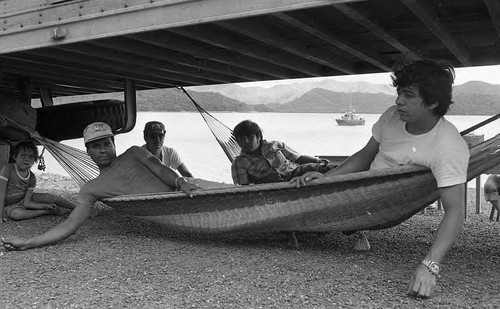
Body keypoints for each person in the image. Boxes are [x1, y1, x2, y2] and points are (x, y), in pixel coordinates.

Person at [291, 60, 469, 298]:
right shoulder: (393, 116)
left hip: (383, 204)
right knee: (297, 187)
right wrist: (327, 178)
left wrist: (430, 265)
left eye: (408, 95)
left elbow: (455, 211)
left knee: (305, 211)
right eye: (398, 93)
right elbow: (365, 155)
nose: (398, 101)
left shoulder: (448, 147)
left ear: (433, 102)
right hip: (355, 191)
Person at [1, 122, 201, 250]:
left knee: (214, 191)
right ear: (88, 151)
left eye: (107, 144)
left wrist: (181, 181)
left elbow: (159, 169)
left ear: (114, 144)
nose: (103, 150)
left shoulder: (134, 153)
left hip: (184, 193)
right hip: (166, 210)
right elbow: (70, 225)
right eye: (96, 146)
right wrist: (27, 242)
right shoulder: (92, 188)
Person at [231, 120, 332, 185]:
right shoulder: (239, 163)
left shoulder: (275, 145)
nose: (246, 142)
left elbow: (298, 158)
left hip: (295, 172)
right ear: (237, 141)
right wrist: (261, 181)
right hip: (274, 186)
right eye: (241, 139)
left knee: (322, 168)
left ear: (258, 137)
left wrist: (318, 161)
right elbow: (242, 189)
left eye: (250, 137)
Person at [0, 141, 76, 223]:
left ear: (35, 160)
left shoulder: (32, 178)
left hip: (23, 200)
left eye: (31, 157)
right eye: (23, 155)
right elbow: (1, 193)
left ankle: (77, 208)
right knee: (16, 214)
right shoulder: (8, 169)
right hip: (8, 205)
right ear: (15, 157)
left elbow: (27, 203)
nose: (27, 159)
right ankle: (45, 212)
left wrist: (45, 205)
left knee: (49, 197)